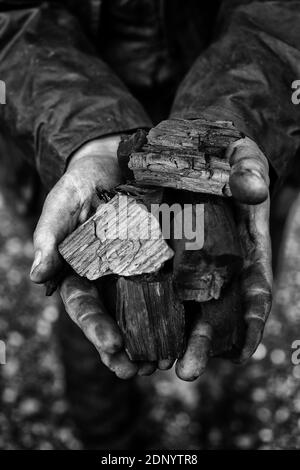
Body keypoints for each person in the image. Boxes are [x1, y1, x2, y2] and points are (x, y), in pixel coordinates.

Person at [0, 0, 298, 446]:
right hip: (60, 127)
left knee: (229, 299)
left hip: (244, 132)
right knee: (88, 301)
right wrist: (86, 131)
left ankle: (218, 406)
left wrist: (244, 111)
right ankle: (111, 440)